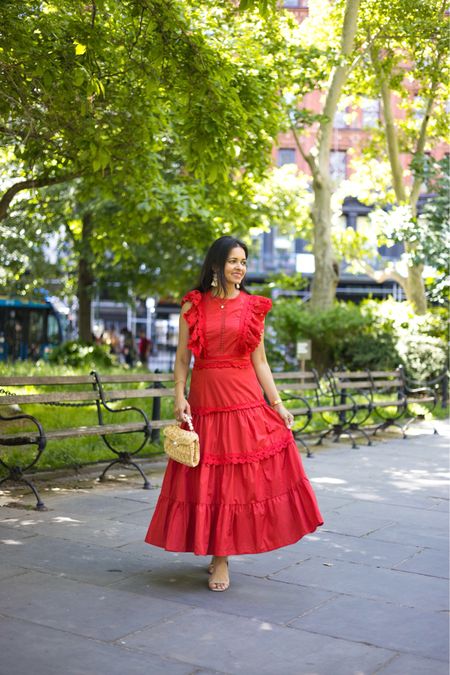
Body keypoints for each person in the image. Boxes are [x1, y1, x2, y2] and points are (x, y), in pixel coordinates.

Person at [145, 236, 323, 591]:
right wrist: (178, 396)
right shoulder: (192, 306)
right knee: (207, 480)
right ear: (215, 265)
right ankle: (215, 553)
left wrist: (278, 404)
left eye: (243, 261)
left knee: (232, 483)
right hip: (205, 401)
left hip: (243, 402)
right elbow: (182, 359)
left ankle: (222, 558)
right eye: (232, 261)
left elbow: (260, 361)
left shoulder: (253, 306)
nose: (239, 267)